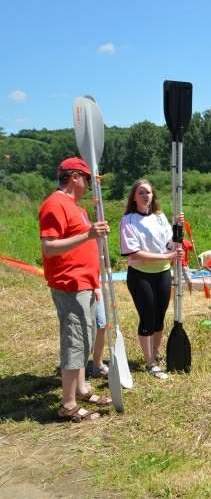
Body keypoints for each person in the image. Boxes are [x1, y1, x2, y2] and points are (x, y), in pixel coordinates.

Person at [40, 158, 113, 421]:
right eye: (88, 179)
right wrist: (88, 235)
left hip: (84, 284)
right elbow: (49, 247)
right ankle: (68, 405)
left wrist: (93, 283)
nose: (90, 184)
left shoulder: (76, 208)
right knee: (75, 342)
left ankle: (81, 390)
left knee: (85, 340)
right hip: (69, 285)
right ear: (74, 177)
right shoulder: (55, 205)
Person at [120, 179, 184, 381]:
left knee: (159, 316)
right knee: (147, 316)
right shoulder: (128, 220)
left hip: (162, 273)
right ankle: (150, 363)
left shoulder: (160, 217)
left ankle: (156, 353)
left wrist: (177, 226)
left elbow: (170, 244)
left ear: (153, 195)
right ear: (134, 197)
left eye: (148, 192)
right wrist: (167, 256)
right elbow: (134, 253)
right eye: (140, 192)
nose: (145, 196)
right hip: (141, 275)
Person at [89, 282, 108, 378]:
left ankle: (98, 365)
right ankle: (77, 373)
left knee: (101, 324)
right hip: (79, 287)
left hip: (94, 284)